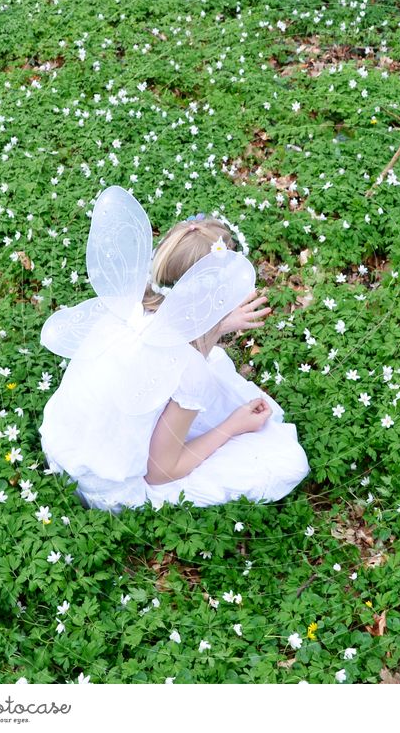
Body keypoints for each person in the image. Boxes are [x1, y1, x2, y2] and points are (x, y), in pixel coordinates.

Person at [38, 186, 309, 514]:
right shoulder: (189, 369)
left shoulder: (125, 305)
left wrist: (217, 325)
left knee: (213, 365)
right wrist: (234, 425)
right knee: (287, 462)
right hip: (107, 487)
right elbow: (161, 472)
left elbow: (167, 338)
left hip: (60, 446)